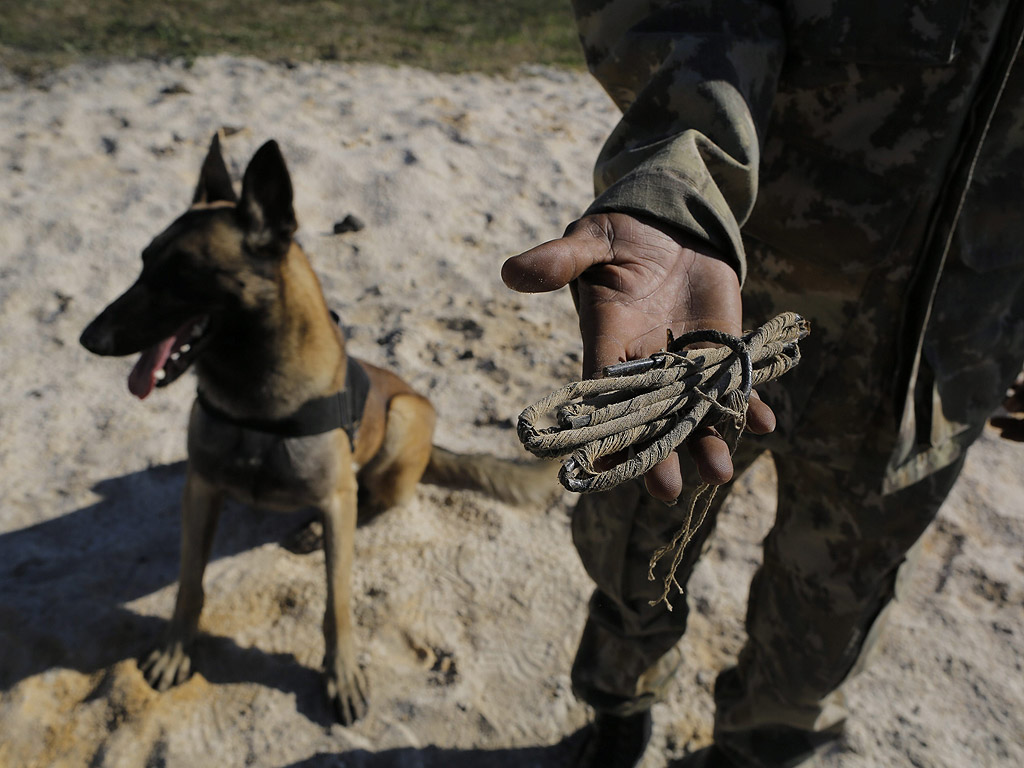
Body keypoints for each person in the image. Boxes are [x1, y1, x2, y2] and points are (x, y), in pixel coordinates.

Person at [501, 2, 1024, 766]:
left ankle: (759, 750)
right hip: (725, 297)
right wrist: (680, 193)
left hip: (951, 354)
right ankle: (621, 708)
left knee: (829, 616)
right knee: (635, 544)